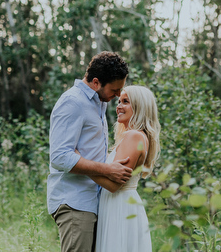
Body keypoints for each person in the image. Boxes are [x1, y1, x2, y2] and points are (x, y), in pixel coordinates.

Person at [47, 51, 132, 252]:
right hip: (75, 202)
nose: (118, 95)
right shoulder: (73, 102)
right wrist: (107, 170)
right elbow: (60, 157)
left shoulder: (97, 104)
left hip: (92, 202)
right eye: (115, 89)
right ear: (96, 82)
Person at [90, 85, 161, 252]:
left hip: (120, 206)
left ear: (139, 106)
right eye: (119, 101)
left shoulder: (134, 136)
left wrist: (81, 165)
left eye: (126, 102)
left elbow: (114, 185)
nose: (119, 106)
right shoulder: (134, 136)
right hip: (118, 204)